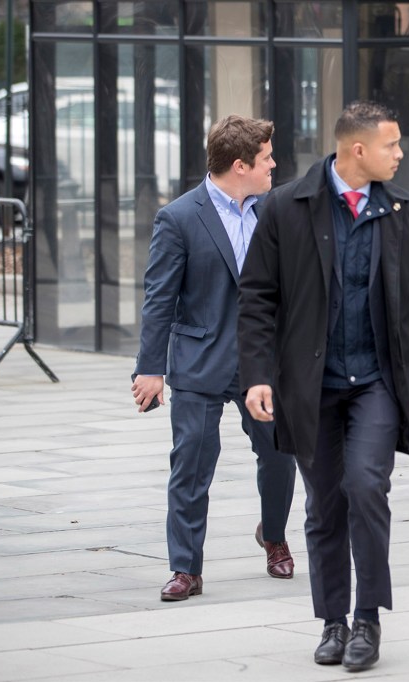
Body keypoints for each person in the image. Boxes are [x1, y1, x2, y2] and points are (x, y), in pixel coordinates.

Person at [237, 101, 409, 672]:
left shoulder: (406, 210)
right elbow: (258, 298)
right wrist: (257, 375)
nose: (401, 154)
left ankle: (368, 618)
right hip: (311, 386)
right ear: (358, 150)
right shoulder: (286, 208)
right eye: (392, 145)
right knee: (324, 503)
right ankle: (332, 621)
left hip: (377, 382)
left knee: (365, 486)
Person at [131, 115, 297, 602]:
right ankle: (186, 568)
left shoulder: (278, 210)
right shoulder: (179, 217)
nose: (274, 165)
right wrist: (150, 368)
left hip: (264, 364)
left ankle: (273, 536)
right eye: (267, 158)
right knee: (191, 465)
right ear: (241, 165)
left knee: (280, 457)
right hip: (200, 362)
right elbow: (159, 298)